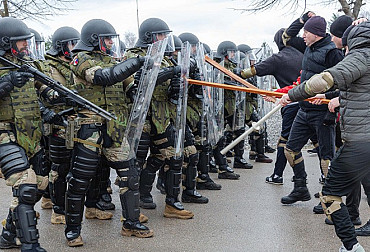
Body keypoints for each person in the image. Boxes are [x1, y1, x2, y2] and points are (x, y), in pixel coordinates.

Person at [281, 20, 370, 252]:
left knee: (330, 195)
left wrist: (293, 95)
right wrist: (336, 97)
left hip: (362, 141)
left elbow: (324, 79)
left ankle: (351, 247)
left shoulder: (360, 57)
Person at [65, 19, 153, 247]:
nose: (110, 43)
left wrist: (148, 78)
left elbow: (130, 87)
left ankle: (131, 223)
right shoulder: (80, 59)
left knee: (130, 174)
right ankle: (73, 230)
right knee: (80, 180)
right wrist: (135, 62)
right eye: (107, 39)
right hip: (89, 127)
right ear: (95, 39)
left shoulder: (114, 61)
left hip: (114, 127)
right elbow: (103, 77)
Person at [128, 17, 204, 217]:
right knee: (135, 163)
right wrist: (173, 71)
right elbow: (145, 80)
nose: (164, 39)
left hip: (163, 118)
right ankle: (135, 204)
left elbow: (172, 86)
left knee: (174, 157)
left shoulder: (168, 59)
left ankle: (172, 203)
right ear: (149, 36)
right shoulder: (133, 56)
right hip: (141, 120)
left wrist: (180, 83)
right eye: (161, 35)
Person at [279, 14, 343, 205]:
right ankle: (300, 188)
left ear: (316, 33)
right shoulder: (307, 46)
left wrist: (328, 100)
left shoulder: (332, 52)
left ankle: (328, 199)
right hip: (303, 109)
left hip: (323, 111)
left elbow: (341, 81)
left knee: (326, 158)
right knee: (290, 150)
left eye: (307, 32)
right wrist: (301, 20)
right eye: (304, 31)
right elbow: (287, 37)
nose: (303, 35)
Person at [0, 17, 48, 252]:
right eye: (21, 42)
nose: (26, 46)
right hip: (4, 134)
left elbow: (44, 91)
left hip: (30, 135)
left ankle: (9, 234)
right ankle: (30, 246)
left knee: (39, 185)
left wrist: (53, 105)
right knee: (26, 185)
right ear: (6, 42)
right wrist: (6, 82)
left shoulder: (26, 64)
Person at [240, 28, 303, 184]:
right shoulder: (304, 55)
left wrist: (240, 73)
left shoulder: (278, 58)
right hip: (308, 103)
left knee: (285, 140)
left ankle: (278, 175)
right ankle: (323, 177)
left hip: (289, 103)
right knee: (317, 140)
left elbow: (253, 71)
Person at [43, 26, 81, 225]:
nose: (75, 47)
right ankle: (57, 209)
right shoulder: (49, 67)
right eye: (71, 44)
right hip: (58, 123)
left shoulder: (76, 63)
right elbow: (54, 94)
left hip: (76, 122)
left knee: (77, 166)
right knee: (59, 167)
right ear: (60, 47)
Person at [178, 32, 222, 190]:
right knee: (186, 151)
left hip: (198, 110)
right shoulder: (179, 63)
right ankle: (179, 184)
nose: (196, 50)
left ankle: (203, 177)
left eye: (197, 46)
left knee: (204, 145)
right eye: (193, 47)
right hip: (186, 112)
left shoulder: (196, 63)